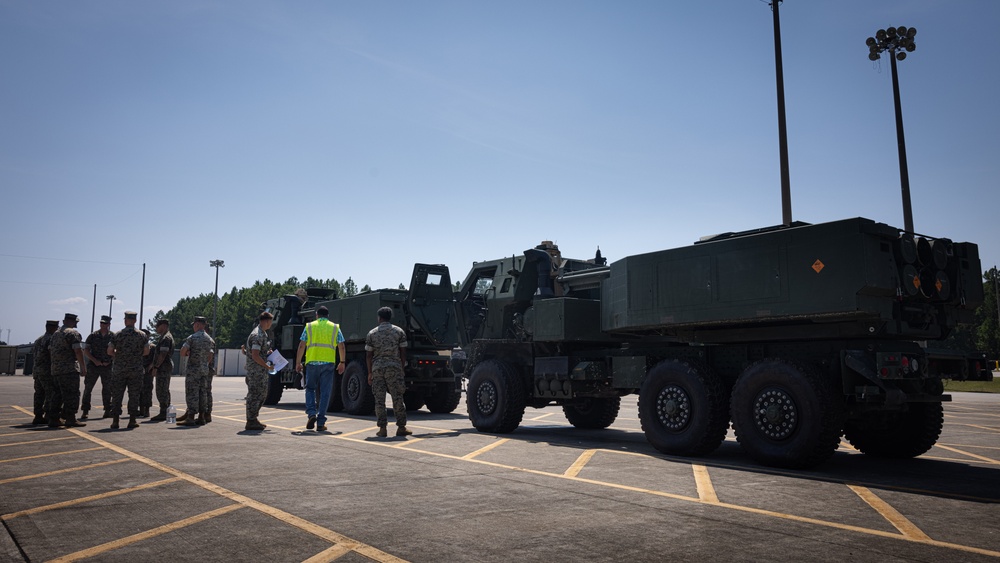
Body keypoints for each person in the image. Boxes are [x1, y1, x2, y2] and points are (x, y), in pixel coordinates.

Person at [295, 305, 345, 432]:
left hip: (312, 362)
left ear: (317, 315)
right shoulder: (334, 327)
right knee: (325, 393)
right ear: (328, 316)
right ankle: (321, 422)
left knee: (310, 389)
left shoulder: (310, 326)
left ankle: (311, 414)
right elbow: (342, 346)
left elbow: (302, 345)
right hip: (328, 363)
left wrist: (298, 362)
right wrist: (342, 362)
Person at [365, 306, 412, 437]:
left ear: (379, 318)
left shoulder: (372, 333)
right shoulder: (399, 332)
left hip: (377, 369)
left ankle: (382, 429)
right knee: (397, 398)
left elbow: (368, 355)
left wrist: (370, 373)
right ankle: (401, 427)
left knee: (379, 400)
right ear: (390, 317)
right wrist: (401, 368)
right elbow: (403, 352)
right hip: (394, 368)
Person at [106, 311, 148, 429]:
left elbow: (109, 351)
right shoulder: (142, 335)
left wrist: (118, 356)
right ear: (135, 320)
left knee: (117, 395)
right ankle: (132, 420)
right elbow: (147, 351)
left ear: (125, 320)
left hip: (119, 369)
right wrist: (136, 356)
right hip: (136, 369)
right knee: (134, 395)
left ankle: (115, 421)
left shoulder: (117, 334)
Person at [48, 313, 88, 428]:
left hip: (56, 369)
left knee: (57, 395)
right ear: (73, 321)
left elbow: (50, 351)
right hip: (68, 369)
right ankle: (71, 418)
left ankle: (54, 418)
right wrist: (83, 367)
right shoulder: (72, 333)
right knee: (72, 394)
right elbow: (78, 351)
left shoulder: (55, 334)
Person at [179, 316, 215, 426]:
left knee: (192, 392)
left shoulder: (192, 338)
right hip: (204, 370)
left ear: (198, 324)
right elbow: (210, 356)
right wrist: (204, 362)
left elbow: (182, 352)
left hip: (193, 369)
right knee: (202, 393)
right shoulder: (209, 339)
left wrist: (188, 353)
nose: (193, 327)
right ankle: (201, 417)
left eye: (194, 324)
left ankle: (190, 417)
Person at [244, 311, 274, 431]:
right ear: (266, 321)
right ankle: (250, 420)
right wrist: (267, 366)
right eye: (270, 322)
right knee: (254, 395)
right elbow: (255, 356)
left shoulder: (263, 334)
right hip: (256, 371)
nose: (271, 324)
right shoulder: (257, 335)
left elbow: (259, 353)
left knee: (261, 395)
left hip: (260, 371)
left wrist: (268, 353)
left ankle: (254, 418)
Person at [81, 315, 114, 420]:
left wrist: (109, 361)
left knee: (107, 389)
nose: (103, 325)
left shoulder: (113, 336)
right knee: (88, 388)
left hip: (107, 366)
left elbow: (117, 351)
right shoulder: (93, 335)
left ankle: (107, 410)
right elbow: (86, 351)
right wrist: (95, 361)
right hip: (93, 366)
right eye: (101, 323)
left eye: (105, 323)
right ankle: (85, 411)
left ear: (109, 324)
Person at [30, 320, 60, 425]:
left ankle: (38, 416)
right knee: (50, 393)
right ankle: (48, 415)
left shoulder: (39, 339)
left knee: (39, 393)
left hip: (37, 371)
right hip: (47, 371)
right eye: (57, 327)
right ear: (52, 328)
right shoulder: (51, 339)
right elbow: (51, 354)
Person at [147, 319, 175, 421]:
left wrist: (156, 367)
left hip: (163, 368)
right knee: (164, 390)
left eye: (157, 326)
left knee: (161, 390)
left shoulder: (166, 338)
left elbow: (163, 355)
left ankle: (164, 412)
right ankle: (166, 412)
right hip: (164, 367)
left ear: (163, 326)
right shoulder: (164, 337)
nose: (156, 328)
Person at [138, 329, 155, 417]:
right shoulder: (137, 346)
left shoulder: (152, 347)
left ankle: (146, 409)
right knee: (138, 390)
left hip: (148, 371)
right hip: (138, 370)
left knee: (147, 390)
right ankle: (140, 409)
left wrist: (151, 366)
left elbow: (155, 358)